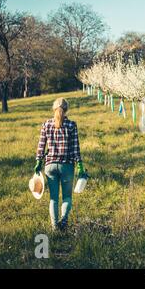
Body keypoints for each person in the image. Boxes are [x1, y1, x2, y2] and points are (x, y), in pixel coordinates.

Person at [34, 98, 87, 231]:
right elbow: (75, 148)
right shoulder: (71, 125)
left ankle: (54, 227)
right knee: (67, 197)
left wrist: (38, 161)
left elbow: (41, 146)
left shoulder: (46, 124)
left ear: (53, 109)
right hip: (67, 166)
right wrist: (80, 164)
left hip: (50, 166)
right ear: (66, 109)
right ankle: (63, 221)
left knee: (53, 198)